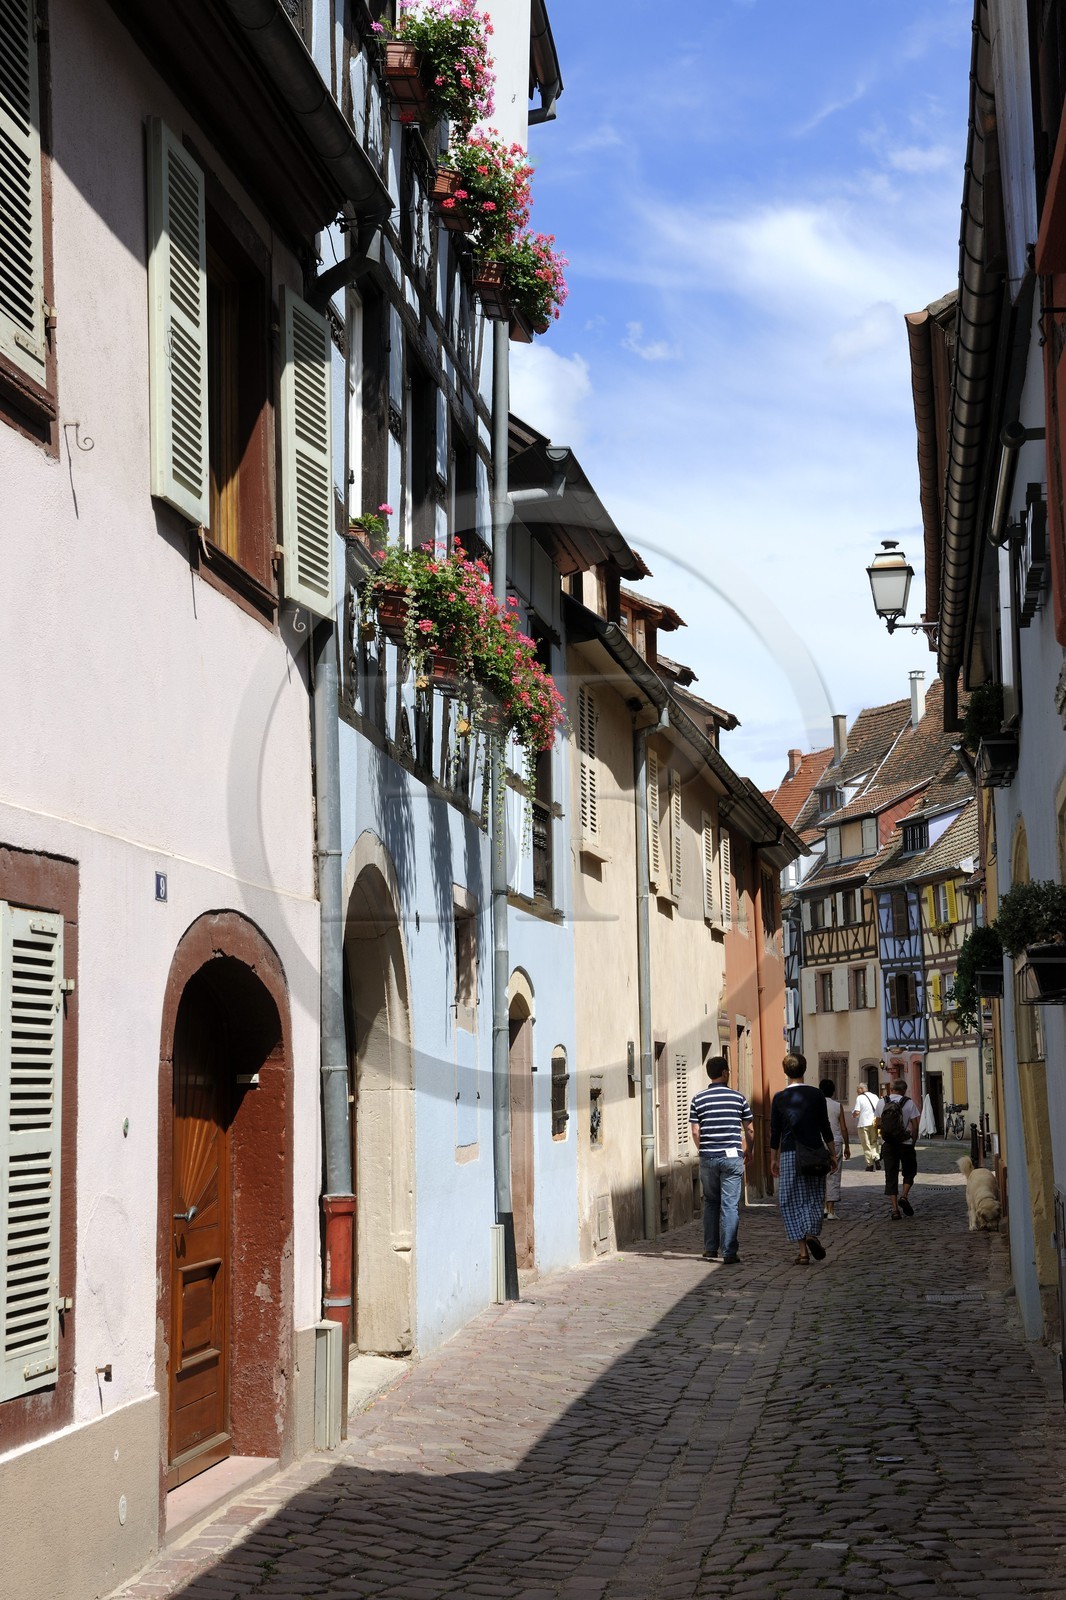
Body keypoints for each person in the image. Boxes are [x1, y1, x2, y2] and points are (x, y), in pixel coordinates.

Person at [770, 1053, 837, 1264]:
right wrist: (833, 1153)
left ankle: (802, 1252)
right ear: (804, 1069)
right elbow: (825, 1126)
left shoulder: (779, 1098)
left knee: (790, 1200)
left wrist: (773, 1158)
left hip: (790, 1153)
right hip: (815, 1151)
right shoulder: (817, 1094)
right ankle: (811, 1234)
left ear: (785, 1071)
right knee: (815, 1196)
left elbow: (775, 1132)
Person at [689, 1056, 754, 1264]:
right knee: (729, 1205)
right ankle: (729, 1252)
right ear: (725, 1073)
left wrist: (704, 1150)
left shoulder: (698, 1099)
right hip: (732, 1157)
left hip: (708, 1157)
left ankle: (710, 1248)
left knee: (710, 1202)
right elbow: (750, 1129)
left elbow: (695, 1131)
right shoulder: (738, 1098)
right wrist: (749, 1149)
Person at [876, 1077, 921, 1219]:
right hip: (905, 1143)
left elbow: (877, 1124)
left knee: (890, 1175)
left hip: (888, 1143)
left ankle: (895, 1209)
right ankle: (904, 1196)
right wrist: (913, 1142)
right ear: (904, 1090)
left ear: (891, 1089)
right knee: (910, 1171)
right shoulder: (909, 1103)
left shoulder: (881, 1102)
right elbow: (915, 1126)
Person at [818, 1078, 850, 1217]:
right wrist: (847, 1145)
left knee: (821, 1175)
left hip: (818, 1141)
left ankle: (824, 1207)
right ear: (833, 1091)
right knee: (834, 1174)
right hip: (835, 1141)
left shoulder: (815, 1104)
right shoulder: (837, 1106)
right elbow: (843, 1128)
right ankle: (831, 1210)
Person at [853, 1081, 881, 1171]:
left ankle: (870, 1164)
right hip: (874, 1122)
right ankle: (876, 1157)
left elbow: (857, 1112)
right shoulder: (875, 1096)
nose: (857, 1092)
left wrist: (853, 1114)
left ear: (861, 1089)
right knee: (874, 1141)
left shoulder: (860, 1098)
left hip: (863, 1123)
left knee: (866, 1144)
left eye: (858, 1090)